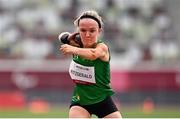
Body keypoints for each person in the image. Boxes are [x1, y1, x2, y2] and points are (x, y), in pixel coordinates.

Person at [59, 10, 122, 118]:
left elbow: (93, 54)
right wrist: (67, 38)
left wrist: (73, 49)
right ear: (78, 31)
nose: (87, 35)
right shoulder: (75, 44)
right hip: (80, 101)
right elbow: (61, 37)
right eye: (83, 30)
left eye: (92, 31)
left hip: (103, 100)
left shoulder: (102, 48)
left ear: (99, 31)